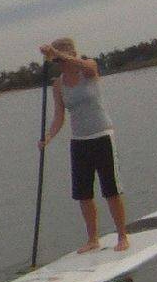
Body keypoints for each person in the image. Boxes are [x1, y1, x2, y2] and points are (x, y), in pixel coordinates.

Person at [38, 38, 130, 253]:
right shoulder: (58, 85)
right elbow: (59, 116)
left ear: (71, 55)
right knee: (83, 194)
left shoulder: (89, 68)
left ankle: (122, 236)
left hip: (102, 135)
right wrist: (48, 136)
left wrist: (57, 53)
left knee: (111, 190)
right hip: (79, 142)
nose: (58, 64)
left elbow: (82, 64)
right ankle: (92, 239)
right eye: (55, 61)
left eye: (60, 60)